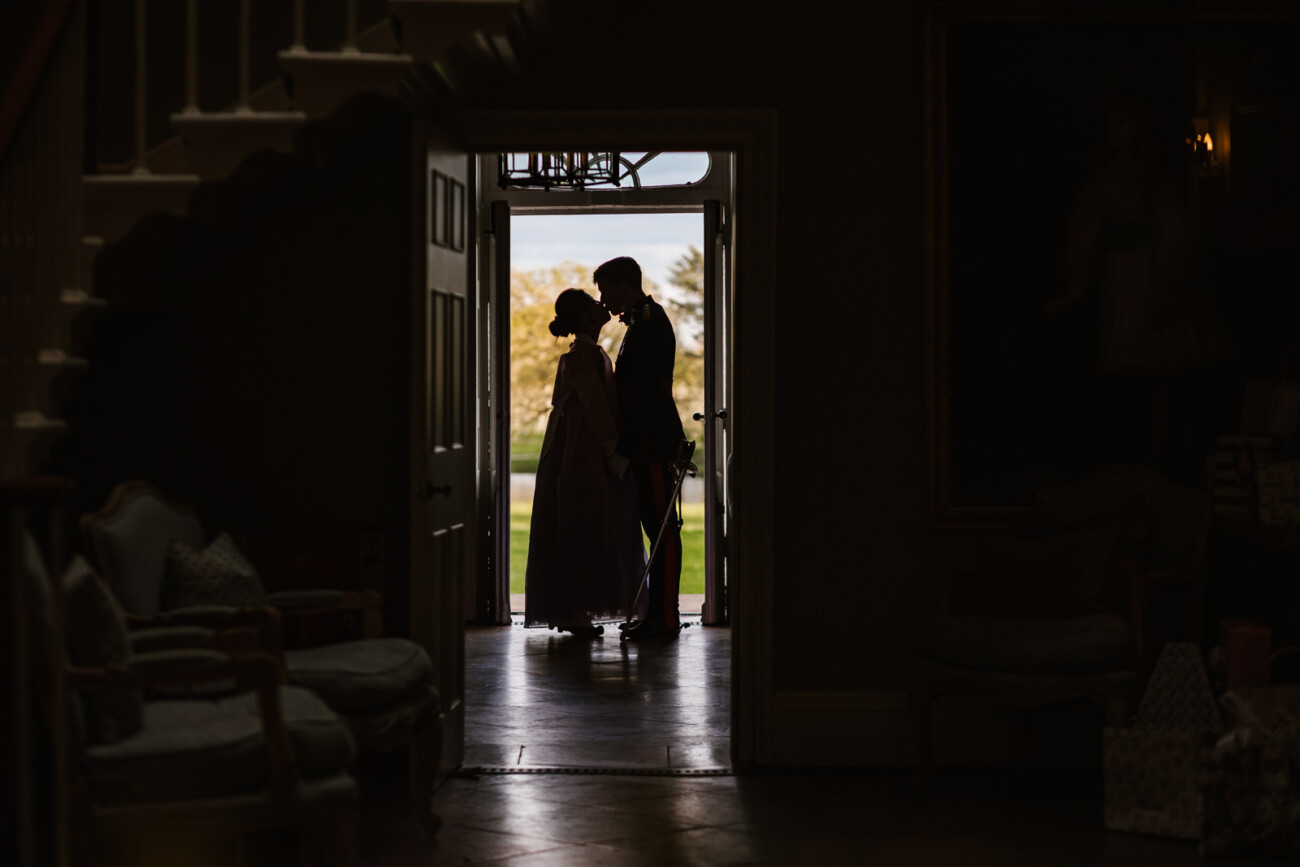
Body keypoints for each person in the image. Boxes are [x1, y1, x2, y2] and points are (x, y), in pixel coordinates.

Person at [524, 288, 645, 636]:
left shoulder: (589, 354)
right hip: (582, 453)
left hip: (584, 449)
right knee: (581, 523)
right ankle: (574, 611)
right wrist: (612, 451)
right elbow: (594, 407)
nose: (601, 304)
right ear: (583, 318)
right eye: (594, 304)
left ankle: (578, 610)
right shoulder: (582, 357)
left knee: (587, 525)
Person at [594, 256, 688, 640]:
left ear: (624, 287)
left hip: (652, 443)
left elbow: (649, 394)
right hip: (644, 443)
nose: (603, 300)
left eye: (605, 291)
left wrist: (629, 443)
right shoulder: (640, 321)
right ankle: (657, 614)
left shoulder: (649, 322)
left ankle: (664, 618)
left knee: (663, 530)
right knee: (656, 527)